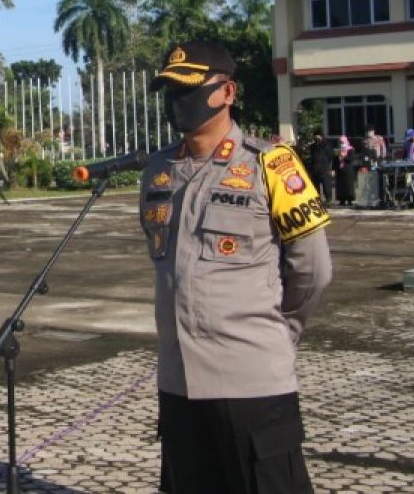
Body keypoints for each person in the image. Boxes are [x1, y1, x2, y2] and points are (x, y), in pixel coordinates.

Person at [141, 40, 332, 494]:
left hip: (252, 382)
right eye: (169, 90)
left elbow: (313, 268)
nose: (177, 101)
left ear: (227, 92)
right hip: (179, 383)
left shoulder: (272, 164)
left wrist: (276, 331)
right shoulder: (158, 171)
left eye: (189, 89)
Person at [307, 133, 334, 205]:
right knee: (315, 185)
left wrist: (329, 167)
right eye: (315, 136)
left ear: (321, 136)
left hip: (324, 168)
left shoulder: (327, 145)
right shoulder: (313, 146)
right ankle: (317, 199)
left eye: (318, 136)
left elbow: (331, 156)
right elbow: (311, 157)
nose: (316, 137)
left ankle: (328, 199)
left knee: (326, 185)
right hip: (315, 169)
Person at [334, 135, 356, 206]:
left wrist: (344, 157)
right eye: (340, 142)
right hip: (340, 170)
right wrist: (333, 169)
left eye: (342, 142)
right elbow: (335, 160)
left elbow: (351, 159)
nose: (341, 144)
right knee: (341, 186)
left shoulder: (350, 149)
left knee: (348, 186)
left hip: (348, 170)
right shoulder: (338, 150)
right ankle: (341, 200)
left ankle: (350, 200)